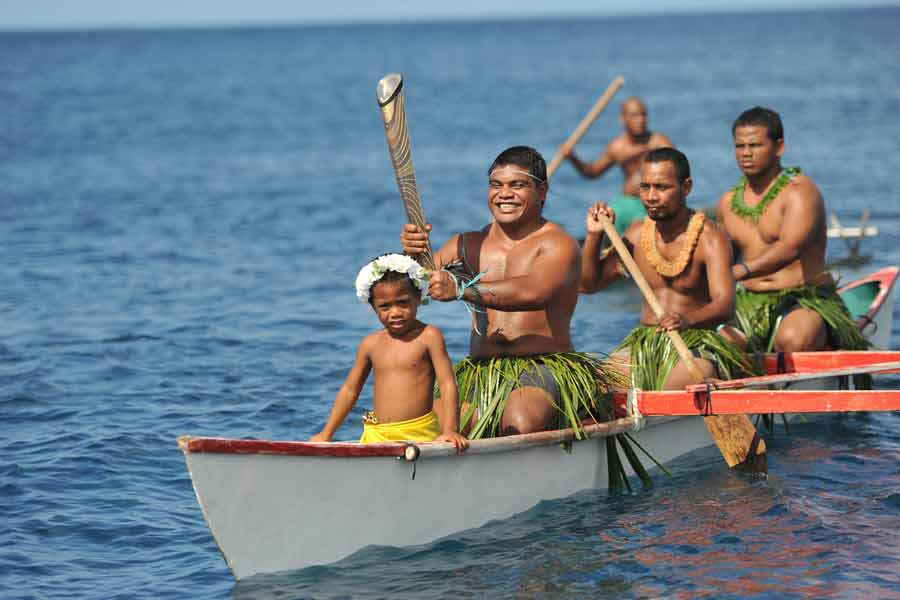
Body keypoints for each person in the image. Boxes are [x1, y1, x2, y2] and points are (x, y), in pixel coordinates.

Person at [400, 146, 623, 439]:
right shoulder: (467, 244)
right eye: (496, 185)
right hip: (482, 368)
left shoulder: (559, 244)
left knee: (519, 420)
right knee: (428, 421)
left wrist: (461, 288)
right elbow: (412, 289)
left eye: (517, 185)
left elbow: (534, 292)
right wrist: (412, 256)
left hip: (542, 366)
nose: (504, 194)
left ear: (542, 191)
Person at [580, 147, 754, 390]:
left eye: (662, 187)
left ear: (686, 187)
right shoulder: (636, 233)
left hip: (696, 343)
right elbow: (589, 285)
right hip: (648, 342)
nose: (651, 196)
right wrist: (593, 237)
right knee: (596, 383)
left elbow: (725, 305)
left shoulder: (710, 238)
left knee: (669, 385)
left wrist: (687, 319)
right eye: (645, 187)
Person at [716, 107, 868, 359]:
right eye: (739, 146)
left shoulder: (800, 192)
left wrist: (742, 271)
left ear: (779, 147)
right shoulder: (728, 202)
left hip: (804, 298)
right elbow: (720, 256)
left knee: (793, 339)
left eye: (754, 145)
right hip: (748, 301)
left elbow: (790, 248)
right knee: (721, 344)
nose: (746, 153)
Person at [309, 253, 468, 451]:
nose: (395, 312)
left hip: (421, 433)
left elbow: (447, 383)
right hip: (378, 435)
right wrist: (326, 434)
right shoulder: (370, 344)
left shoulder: (429, 336)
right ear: (373, 307)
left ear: (418, 298)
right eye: (385, 306)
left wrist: (450, 430)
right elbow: (350, 390)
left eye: (403, 302)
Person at [562, 97, 674, 235]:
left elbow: (677, 174)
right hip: (625, 203)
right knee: (609, 219)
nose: (640, 119)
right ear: (623, 118)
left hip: (652, 204)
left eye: (643, 114)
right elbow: (592, 172)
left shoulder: (659, 142)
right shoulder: (617, 147)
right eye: (634, 115)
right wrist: (573, 159)